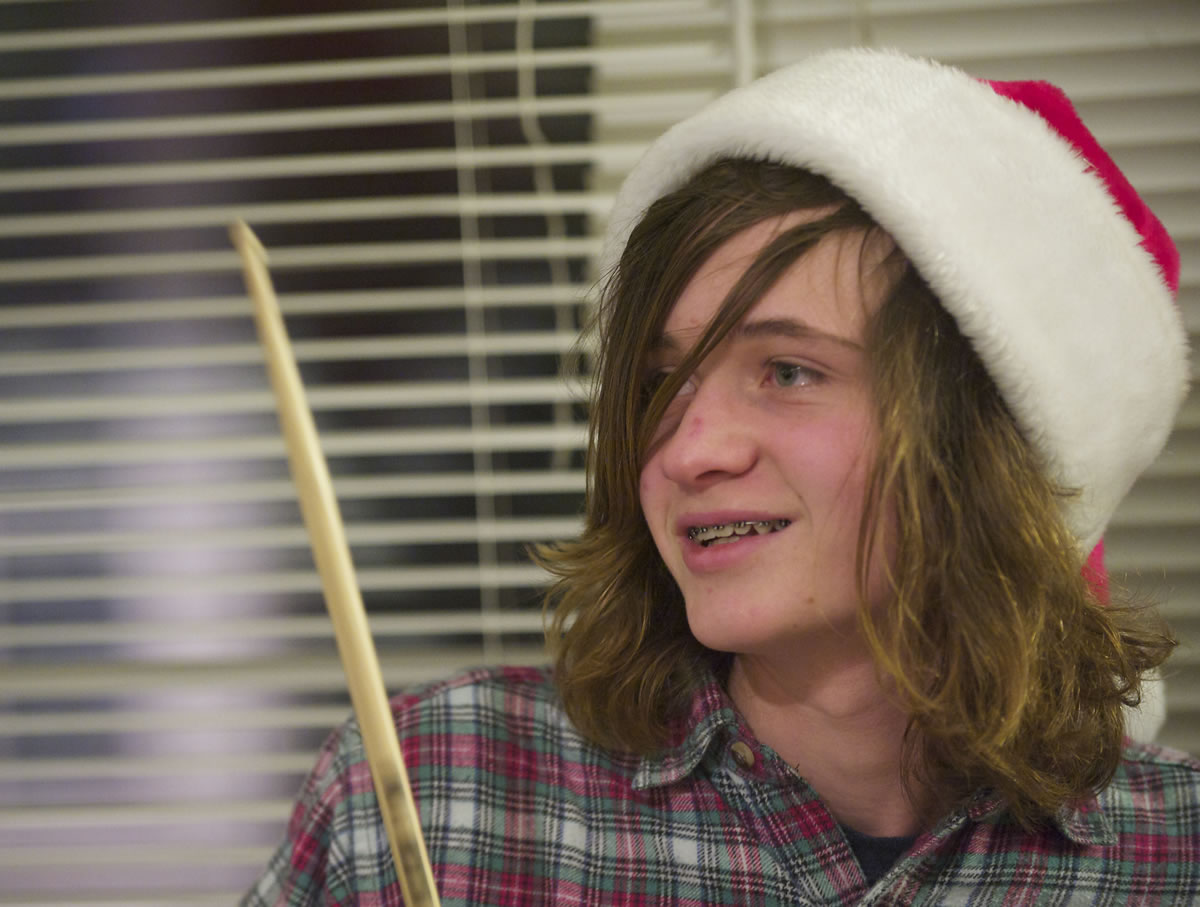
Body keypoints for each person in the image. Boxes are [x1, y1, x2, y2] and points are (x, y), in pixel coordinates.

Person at [242, 48, 1197, 905]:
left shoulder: (1170, 856)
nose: (688, 449)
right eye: (661, 383)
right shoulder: (433, 791)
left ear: (984, 439)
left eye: (788, 372)